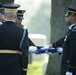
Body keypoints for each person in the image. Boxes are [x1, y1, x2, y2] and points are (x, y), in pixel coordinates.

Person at [42, 7, 76, 75]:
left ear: (74, 17)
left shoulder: (74, 31)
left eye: (68, 15)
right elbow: (66, 39)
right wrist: (54, 45)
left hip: (70, 69)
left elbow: (74, 51)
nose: (66, 16)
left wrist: (70, 69)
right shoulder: (72, 29)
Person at [0, 3, 29, 75]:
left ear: (4, 15)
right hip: (15, 66)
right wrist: (24, 69)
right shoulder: (22, 31)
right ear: (16, 15)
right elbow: (25, 53)